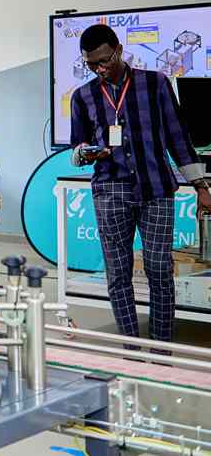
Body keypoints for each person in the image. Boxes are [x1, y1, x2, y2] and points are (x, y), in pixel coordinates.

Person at [71, 23, 211, 346]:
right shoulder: (83, 96)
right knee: (118, 273)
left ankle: (161, 350)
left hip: (156, 187)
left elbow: (178, 136)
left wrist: (201, 186)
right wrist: (87, 152)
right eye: (91, 64)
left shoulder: (155, 83)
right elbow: (76, 149)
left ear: (119, 50)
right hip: (110, 191)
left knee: (159, 269)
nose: (99, 69)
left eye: (104, 60)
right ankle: (132, 349)